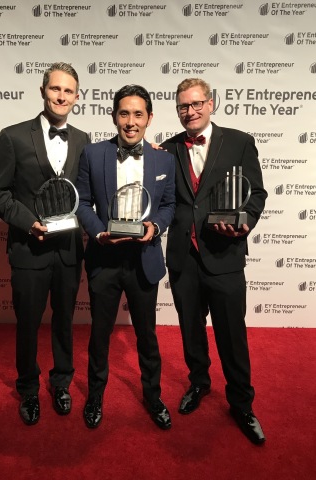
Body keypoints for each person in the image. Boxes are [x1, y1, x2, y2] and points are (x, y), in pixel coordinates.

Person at [161, 78, 267, 444]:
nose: (189, 112)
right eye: (182, 107)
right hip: (182, 259)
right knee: (191, 332)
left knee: (232, 337)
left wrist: (245, 224)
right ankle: (198, 383)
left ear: (211, 103)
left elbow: (256, 195)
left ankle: (241, 403)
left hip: (224, 255)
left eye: (195, 104)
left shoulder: (238, 142)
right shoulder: (167, 149)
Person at [0, 62, 90, 425]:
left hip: (69, 251)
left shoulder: (83, 139)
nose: (61, 96)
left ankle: (61, 381)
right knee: (28, 323)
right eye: (55, 89)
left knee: (64, 321)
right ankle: (28, 388)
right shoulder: (13, 136)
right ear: (43, 90)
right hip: (29, 249)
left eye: (68, 91)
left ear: (77, 97)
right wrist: (28, 222)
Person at [76, 84, 175, 430]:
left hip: (144, 259)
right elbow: (82, 202)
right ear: (114, 116)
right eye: (124, 113)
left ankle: (153, 395)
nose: (130, 121)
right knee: (99, 335)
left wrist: (156, 227)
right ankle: (95, 395)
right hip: (104, 259)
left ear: (149, 118)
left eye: (137, 114)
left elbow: (168, 205)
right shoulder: (92, 154)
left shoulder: (165, 159)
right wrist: (98, 232)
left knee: (147, 336)